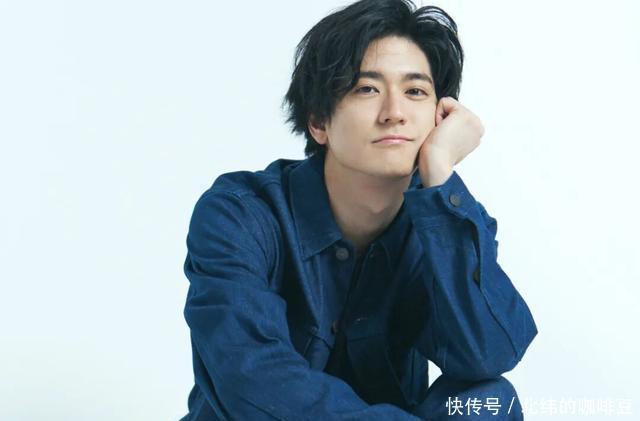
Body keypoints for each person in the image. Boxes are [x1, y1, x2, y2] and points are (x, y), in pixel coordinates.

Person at [179, 0, 538, 419]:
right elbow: (252, 380)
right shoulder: (240, 215)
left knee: (490, 401)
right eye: (367, 89)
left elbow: (490, 354)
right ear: (319, 121)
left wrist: (440, 172)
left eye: (415, 91)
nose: (395, 114)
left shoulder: (444, 223)